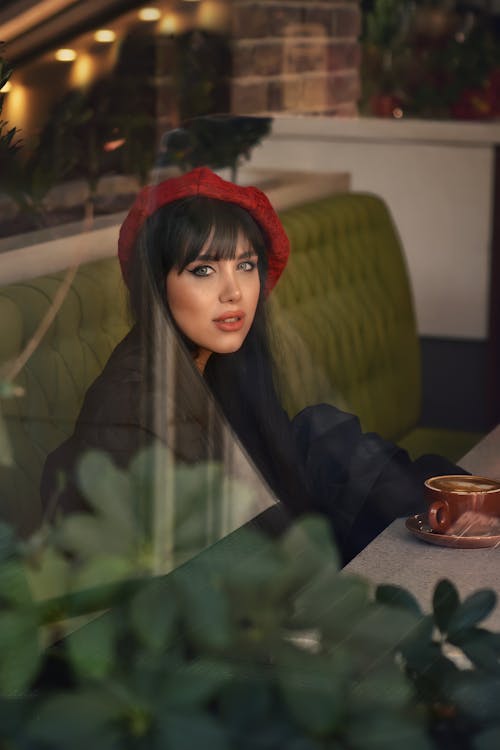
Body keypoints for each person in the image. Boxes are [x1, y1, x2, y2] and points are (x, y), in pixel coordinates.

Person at [41, 167, 464, 564]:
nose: (233, 292)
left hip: (249, 564)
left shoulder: (218, 366)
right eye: (203, 269)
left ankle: (459, 509)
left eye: (245, 265)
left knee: (322, 436)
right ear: (155, 285)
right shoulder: (134, 406)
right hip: (203, 607)